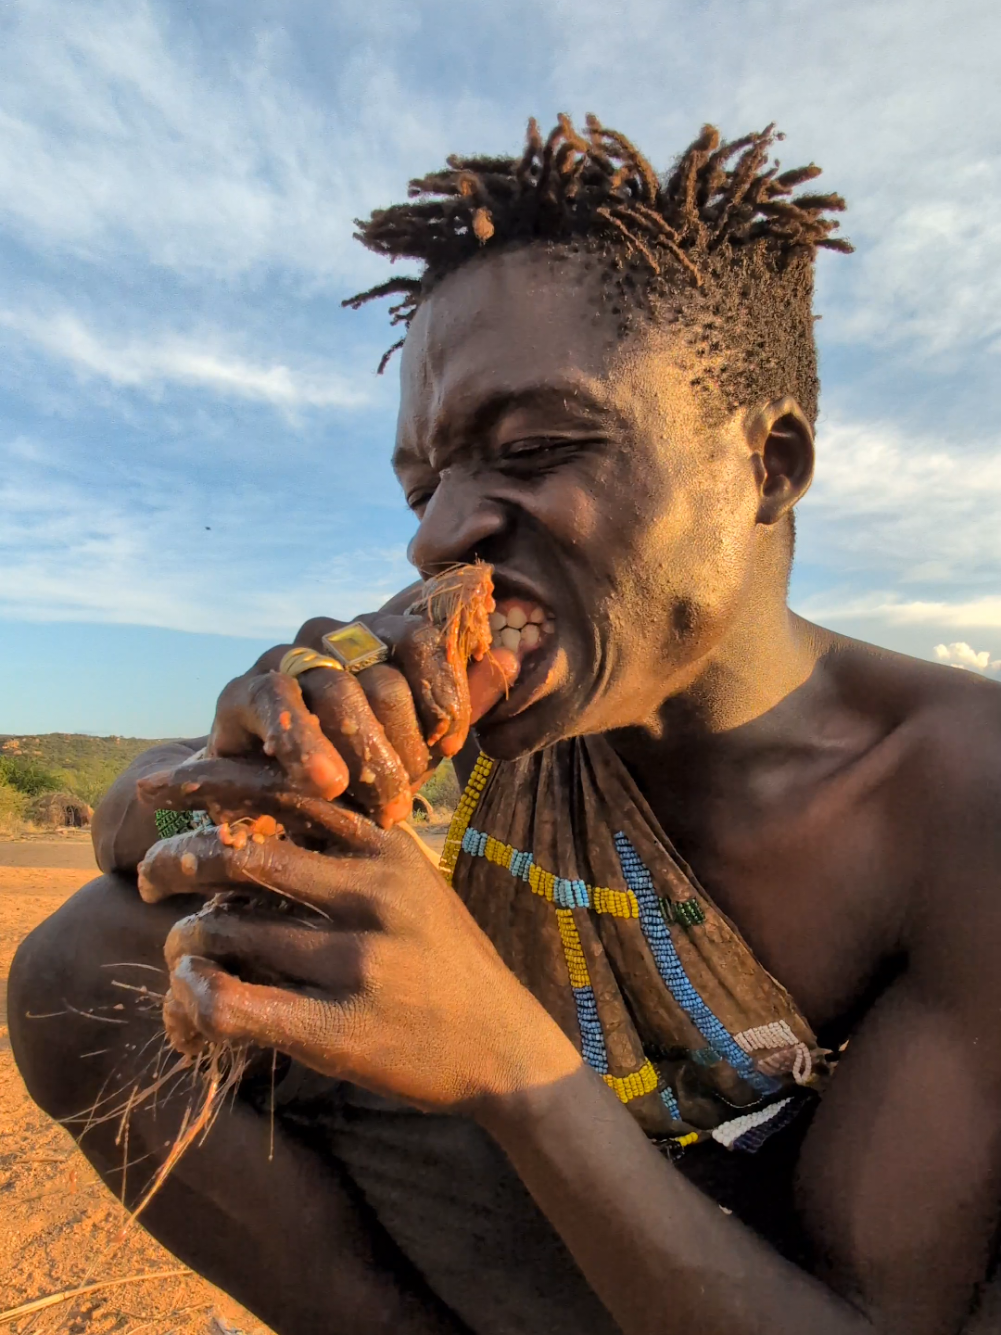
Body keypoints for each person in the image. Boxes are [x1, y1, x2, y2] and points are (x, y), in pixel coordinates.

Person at [10, 115, 1001, 1335]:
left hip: (748, 1275)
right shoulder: (454, 671)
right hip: (525, 1243)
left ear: (769, 466)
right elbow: (133, 827)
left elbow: (877, 1309)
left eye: (532, 448)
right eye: (425, 486)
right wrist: (231, 769)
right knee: (88, 962)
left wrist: (505, 1063)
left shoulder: (958, 792)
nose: (436, 538)